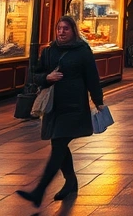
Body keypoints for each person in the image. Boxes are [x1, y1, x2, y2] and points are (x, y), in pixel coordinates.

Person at [17, 16, 104, 207]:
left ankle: (39, 191)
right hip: (53, 107)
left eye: (65, 29)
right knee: (59, 145)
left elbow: (92, 78)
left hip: (74, 107)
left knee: (58, 146)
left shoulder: (82, 51)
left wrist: (98, 102)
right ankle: (71, 182)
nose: (61, 32)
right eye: (59, 29)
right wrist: (47, 77)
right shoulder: (49, 51)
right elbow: (35, 75)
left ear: (73, 31)